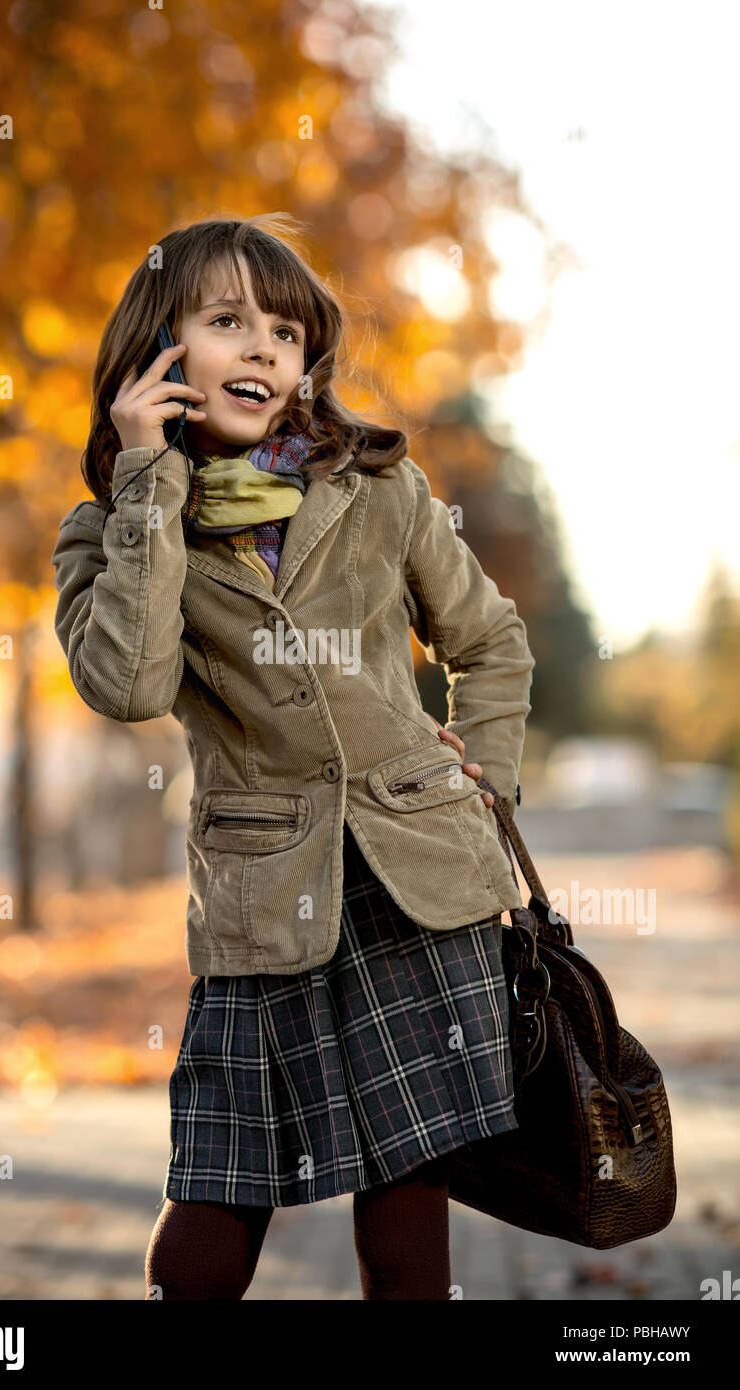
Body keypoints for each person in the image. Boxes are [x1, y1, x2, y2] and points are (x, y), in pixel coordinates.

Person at [51, 213, 535, 1300]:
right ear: (155, 351)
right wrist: (145, 481)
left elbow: (490, 643)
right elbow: (125, 683)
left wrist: (485, 784)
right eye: (227, 321)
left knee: (409, 1211)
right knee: (214, 1211)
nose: (265, 348)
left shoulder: (378, 485)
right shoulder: (112, 525)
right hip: (266, 902)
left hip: (420, 888)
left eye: (285, 328)